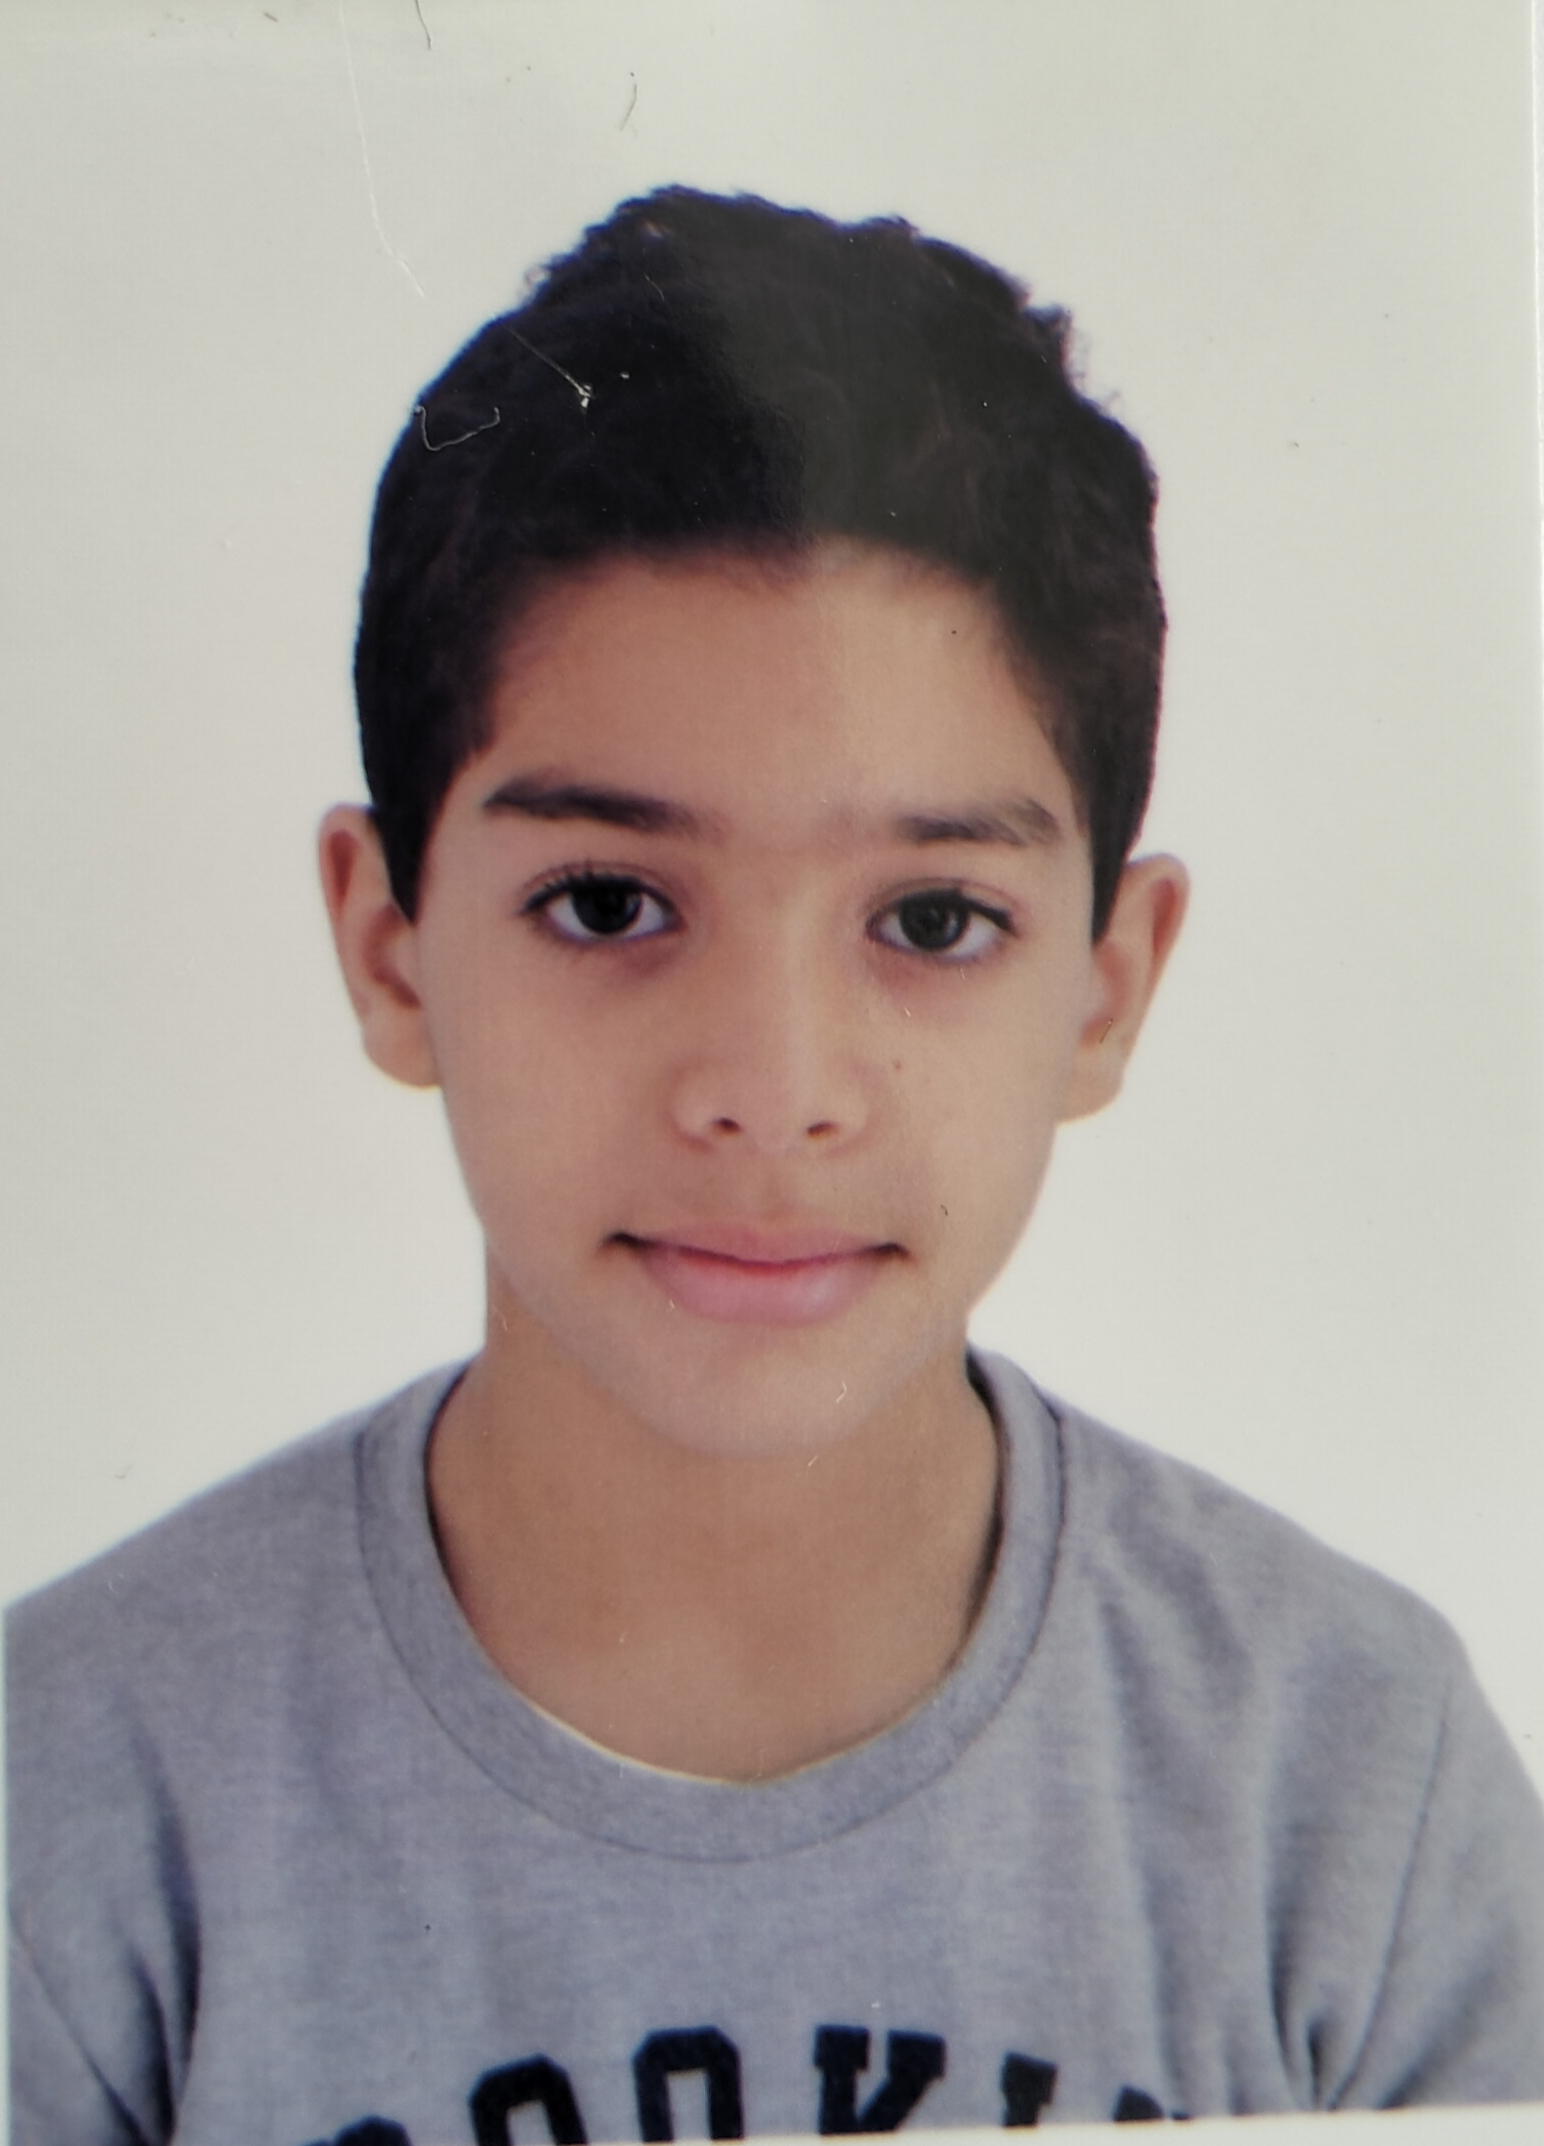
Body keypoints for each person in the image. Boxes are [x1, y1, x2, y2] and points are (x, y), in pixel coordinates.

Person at [8, 186, 1543, 2144]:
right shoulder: (72, 1804)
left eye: (932, 920)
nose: (774, 1088)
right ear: (388, 941)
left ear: (1106, 985)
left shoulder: (1348, 1790)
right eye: (607, 900)